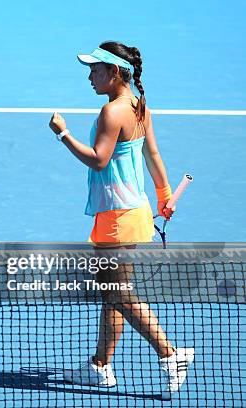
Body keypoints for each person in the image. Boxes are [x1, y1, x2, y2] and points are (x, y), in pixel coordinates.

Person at [48, 41, 194, 398]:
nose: (90, 76)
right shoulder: (138, 105)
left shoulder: (111, 112)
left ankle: (171, 354)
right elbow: (153, 154)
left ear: (115, 73)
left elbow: (98, 159)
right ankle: (100, 366)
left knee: (119, 294)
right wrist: (163, 198)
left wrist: (62, 134)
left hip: (117, 217)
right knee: (111, 294)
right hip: (131, 211)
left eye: (95, 70)